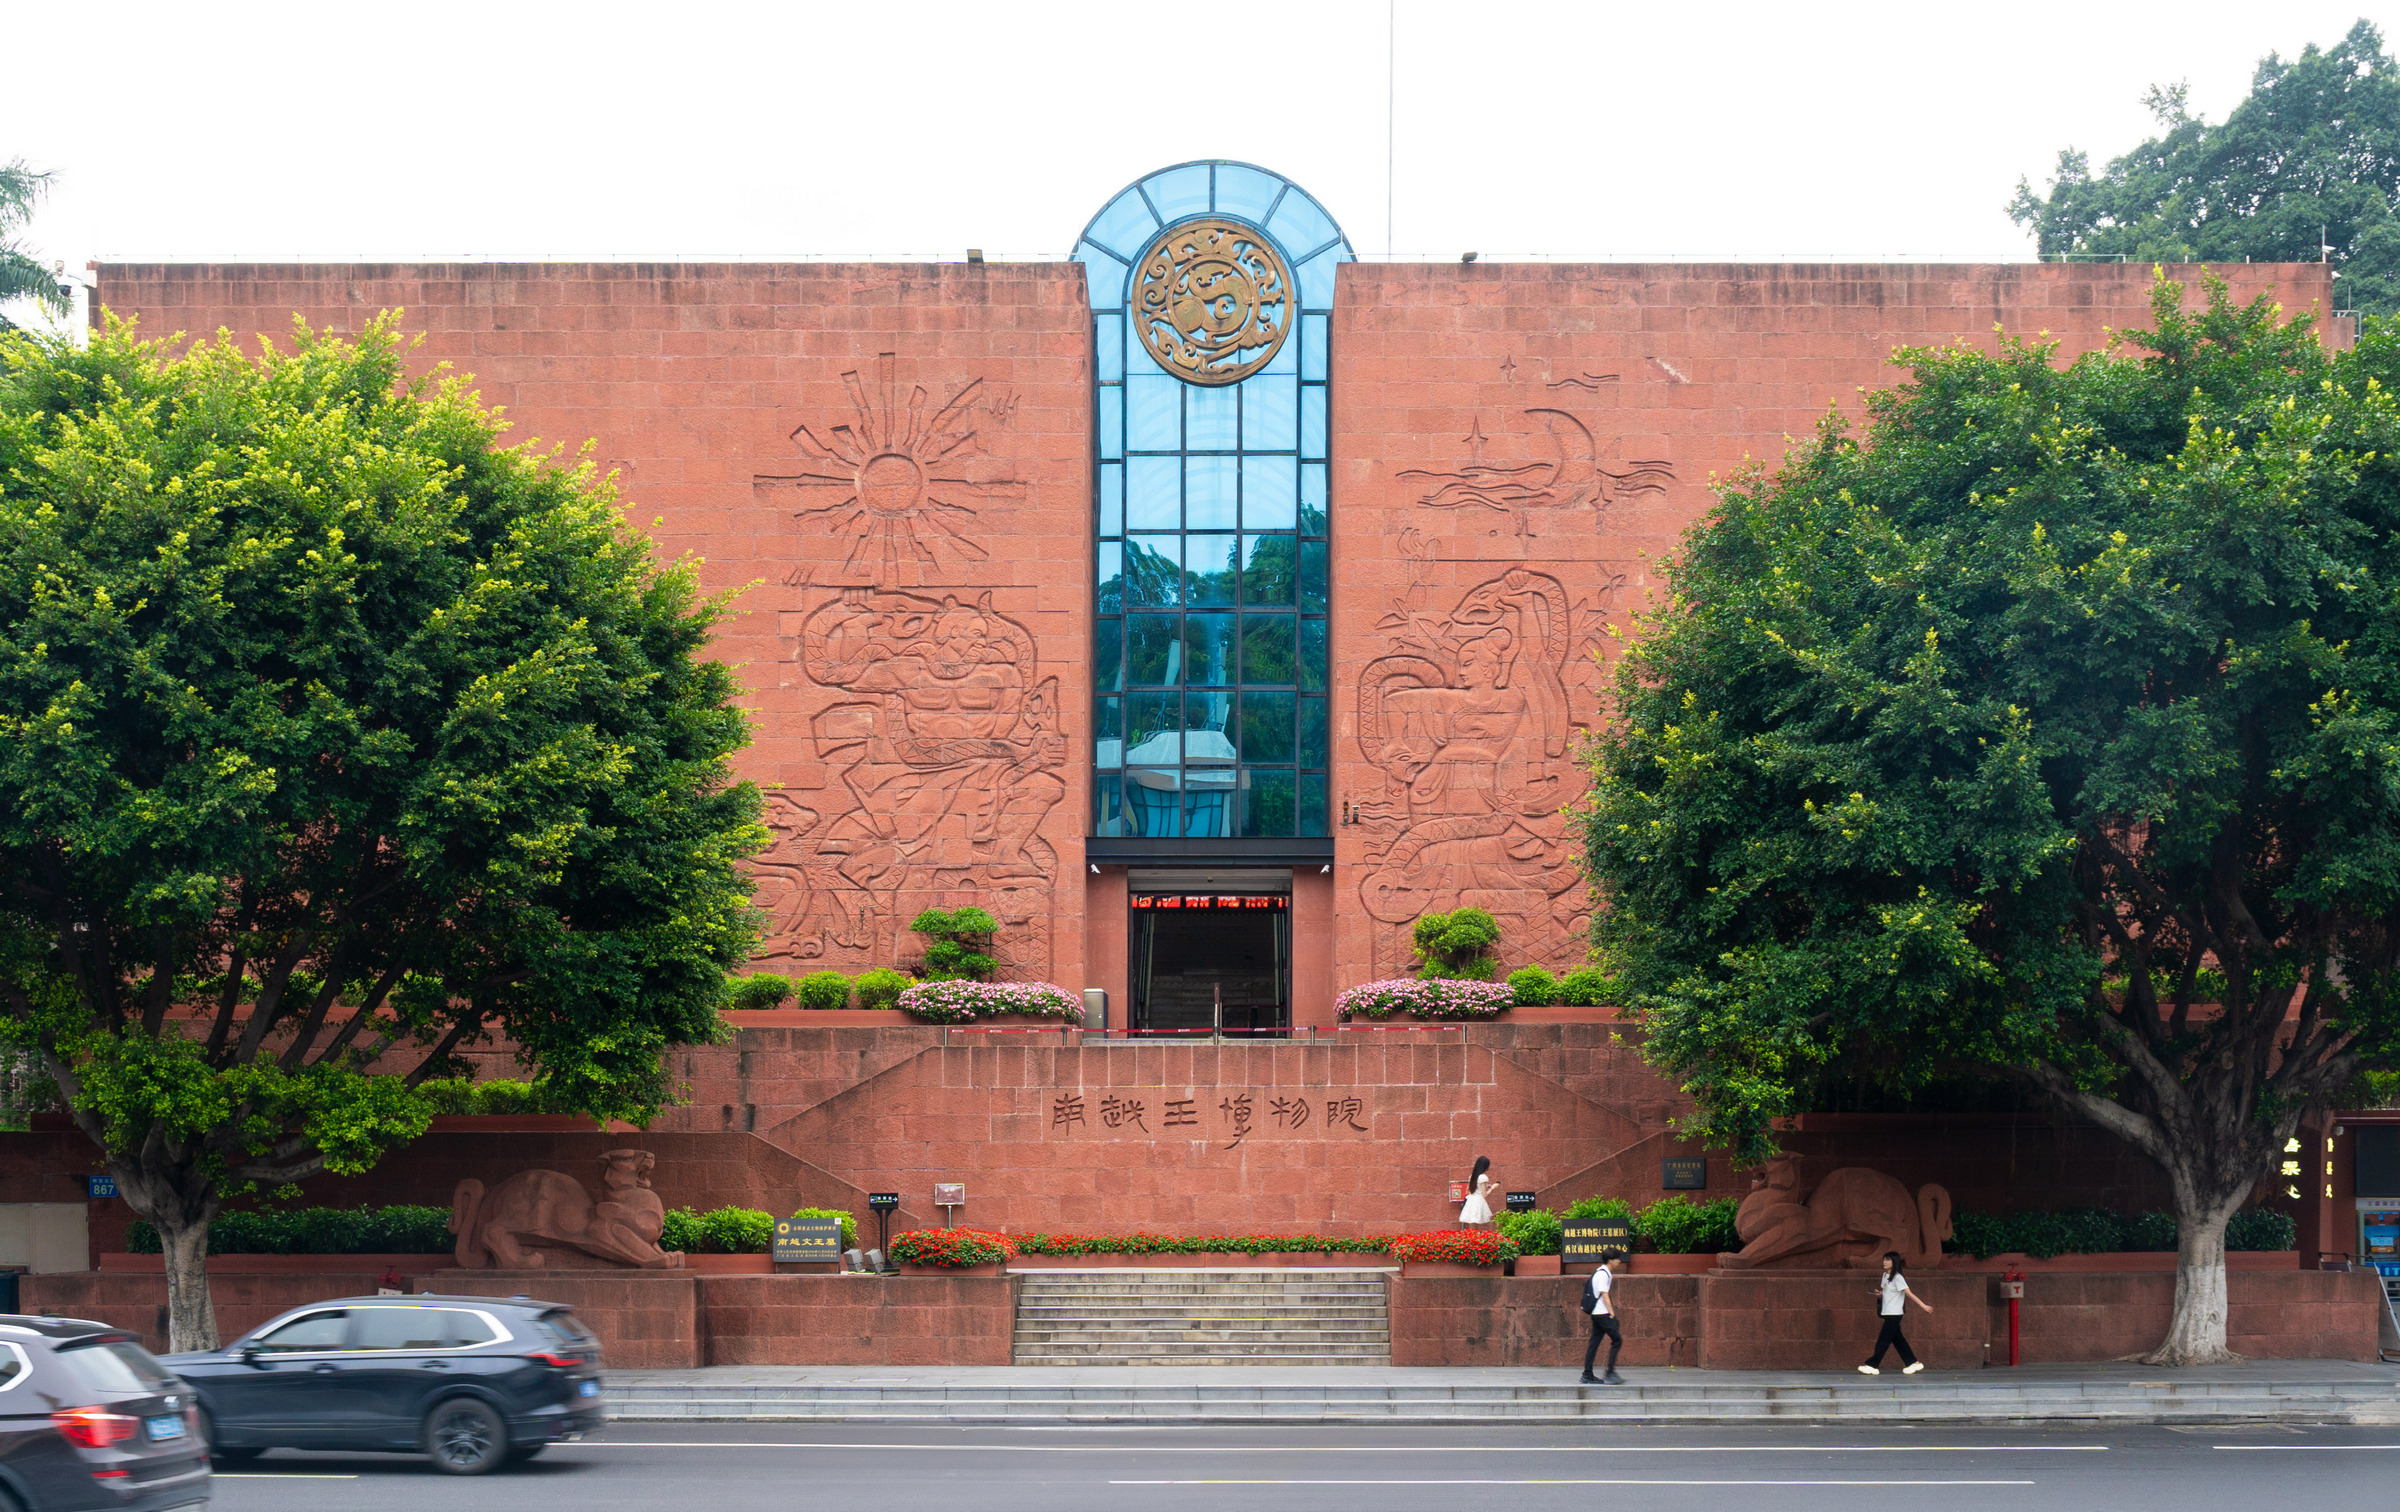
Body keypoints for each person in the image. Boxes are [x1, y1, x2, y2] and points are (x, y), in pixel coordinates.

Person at [1859, 1250, 1933, 1374]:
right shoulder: (1885, 1276)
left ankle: (1872, 1365)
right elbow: (1887, 1292)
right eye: (1884, 1259)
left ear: (1894, 1262)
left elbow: (1909, 1293)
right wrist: (1879, 1294)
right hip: (1887, 1312)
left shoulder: (1898, 1278)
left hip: (1895, 1314)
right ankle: (1914, 1363)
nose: (1884, 1262)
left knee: (1883, 1340)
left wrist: (1923, 1305)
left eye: (1888, 1259)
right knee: (1898, 1340)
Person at [1581, 1247, 1627, 1385]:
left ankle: (1587, 1374)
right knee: (1617, 1340)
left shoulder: (1603, 1272)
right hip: (1601, 1314)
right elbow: (1604, 1295)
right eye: (1617, 1259)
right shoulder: (1603, 1274)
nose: (1619, 1261)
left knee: (1593, 1344)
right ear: (1610, 1260)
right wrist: (1612, 1313)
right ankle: (1610, 1372)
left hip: (1598, 1313)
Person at [1458, 1156, 1496, 1227]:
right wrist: (1492, 1188)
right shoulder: (1483, 1177)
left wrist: (1487, 1187)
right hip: (1479, 1202)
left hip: (1471, 1201)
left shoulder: (1472, 1176)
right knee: (1479, 1223)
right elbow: (1484, 1195)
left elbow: (1473, 1189)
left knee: (1472, 1224)